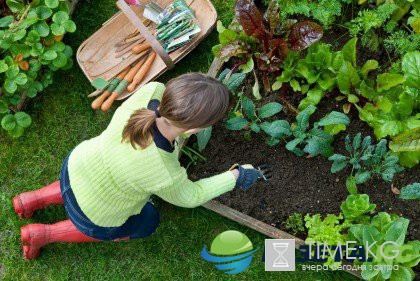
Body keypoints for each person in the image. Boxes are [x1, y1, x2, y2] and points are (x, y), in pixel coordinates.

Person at [12, 73, 269, 260]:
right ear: (194, 130)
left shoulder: (151, 92)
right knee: (148, 220)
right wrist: (235, 175)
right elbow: (192, 196)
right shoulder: (163, 171)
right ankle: (43, 234)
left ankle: (31, 199)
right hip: (95, 214)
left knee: (87, 183)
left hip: (76, 165)